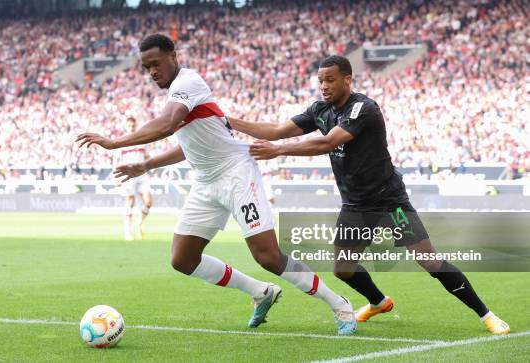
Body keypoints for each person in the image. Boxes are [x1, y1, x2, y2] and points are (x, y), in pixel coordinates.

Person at [76, 34, 356, 334]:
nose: (152, 72)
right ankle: (261, 292)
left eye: (156, 64)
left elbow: (167, 124)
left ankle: (339, 304)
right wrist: (146, 164)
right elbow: (191, 146)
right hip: (205, 182)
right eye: (146, 68)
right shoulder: (175, 96)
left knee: (268, 256)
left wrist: (114, 142)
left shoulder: (188, 83)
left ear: (174, 55)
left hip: (236, 174)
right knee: (182, 259)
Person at [227, 55, 510, 334]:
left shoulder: (364, 108)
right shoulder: (319, 110)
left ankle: (487, 315)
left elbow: (327, 142)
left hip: (389, 201)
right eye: (320, 81)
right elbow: (276, 130)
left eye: (330, 80)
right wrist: (229, 121)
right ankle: (379, 302)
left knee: (428, 261)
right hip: (355, 205)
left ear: (347, 79)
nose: (323, 86)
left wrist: (278, 151)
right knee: (343, 269)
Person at [119, 117, 152, 240]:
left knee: (148, 202)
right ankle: (128, 232)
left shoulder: (143, 139)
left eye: (133, 126)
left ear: (136, 126)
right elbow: (116, 160)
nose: (131, 128)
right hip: (128, 175)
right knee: (130, 201)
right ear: (126, 126)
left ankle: (139, 225)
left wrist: (153, 167)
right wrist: (115, 176)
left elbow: (147, 156)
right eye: (129, 126)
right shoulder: (121, 141)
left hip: (142, 174)